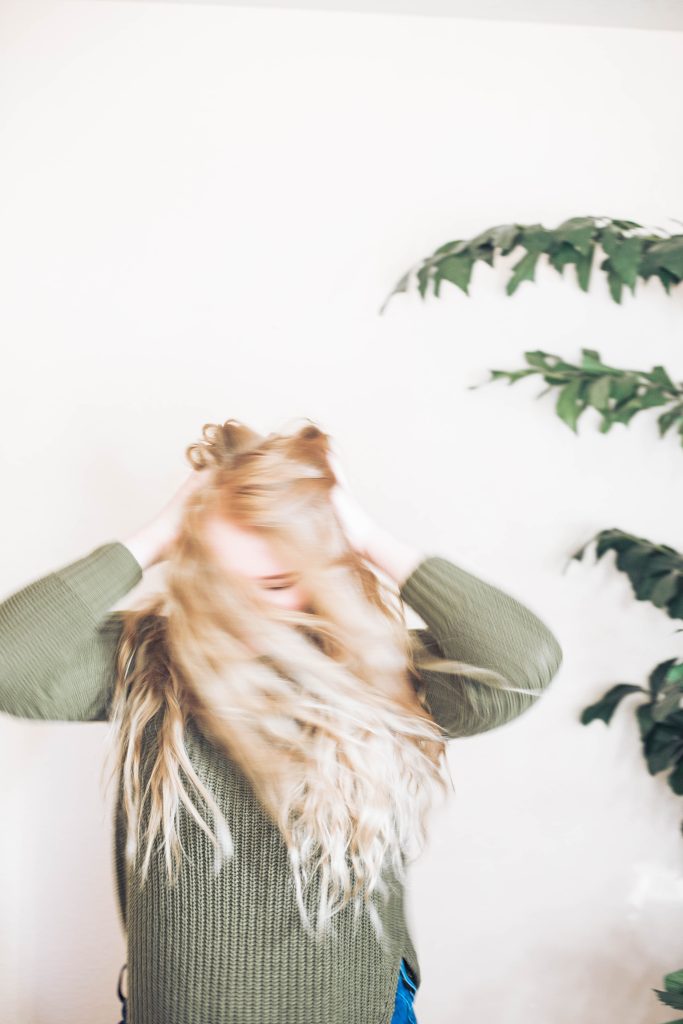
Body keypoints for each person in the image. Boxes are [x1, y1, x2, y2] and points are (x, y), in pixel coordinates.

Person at [0, 417, 563, 1024]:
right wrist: (159, 533)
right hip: (182, 1008)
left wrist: (361, 531)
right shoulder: (145, 657)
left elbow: (522, 663)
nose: (242, 605)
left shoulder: (382, 667)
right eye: (222, 577)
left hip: (360, 1005)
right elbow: (11, 663)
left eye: (276, 581)